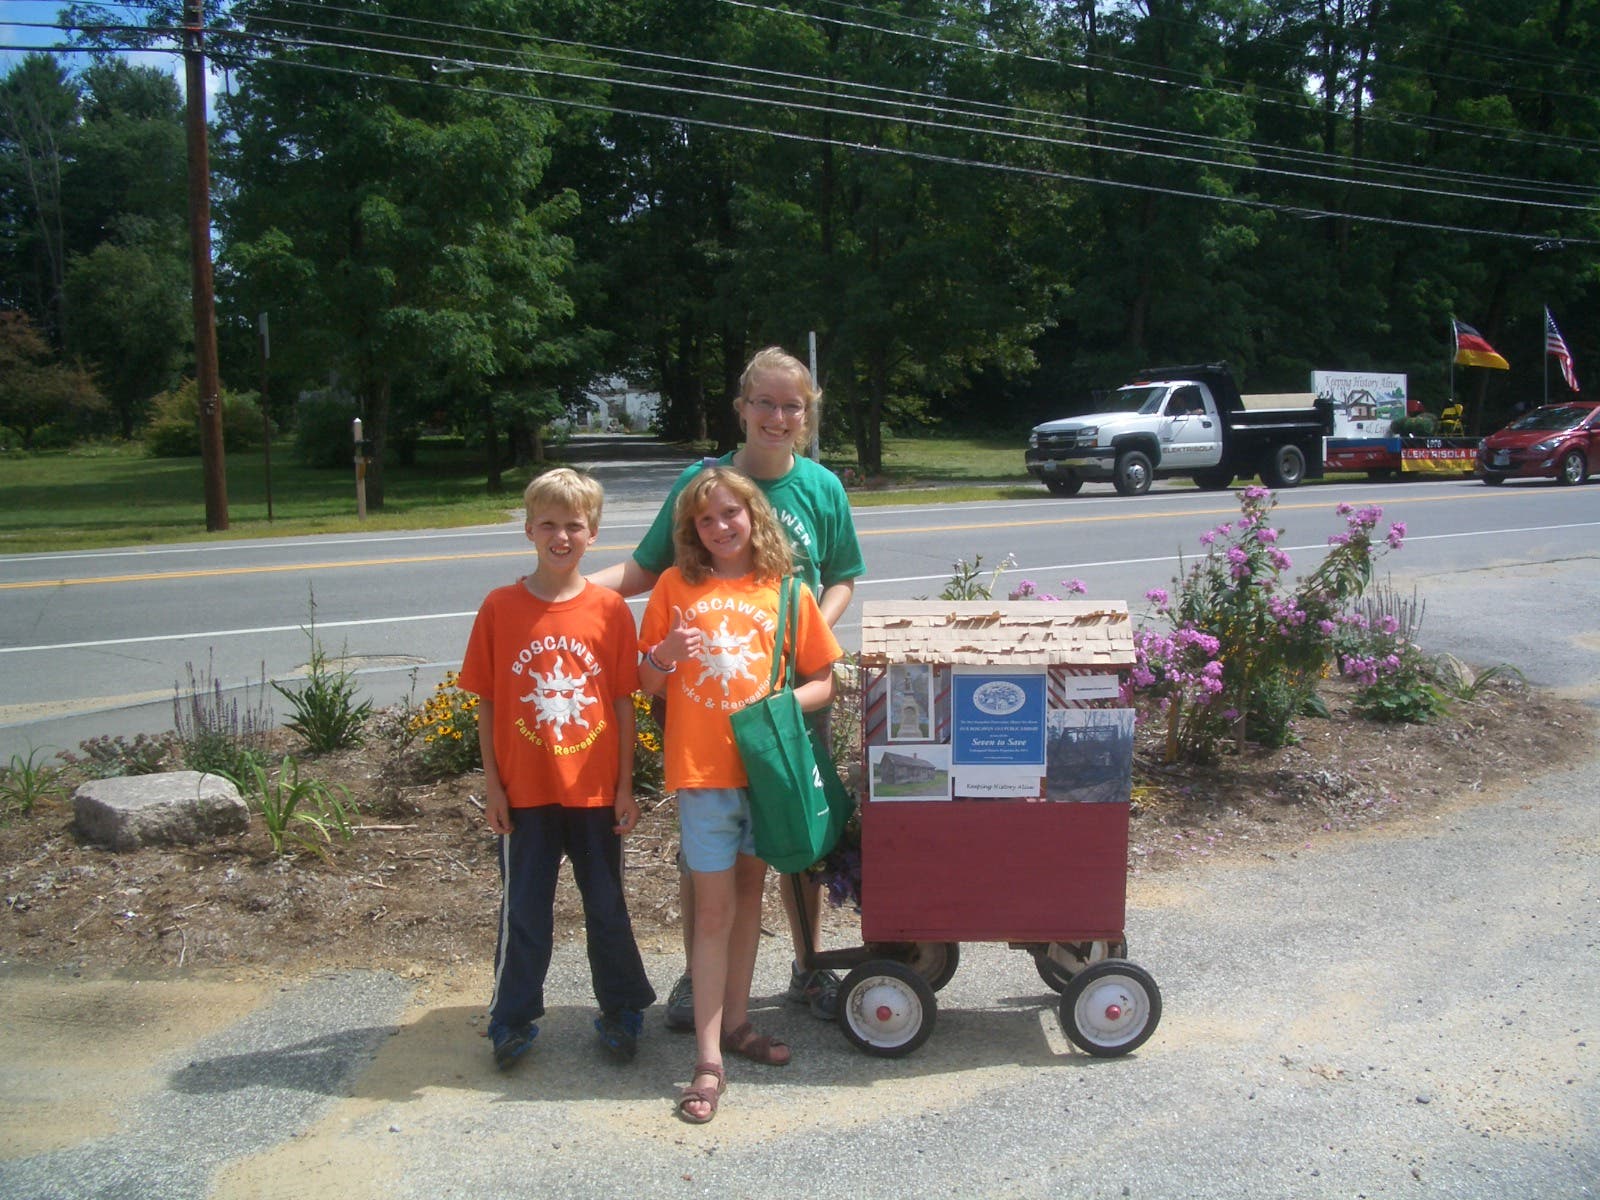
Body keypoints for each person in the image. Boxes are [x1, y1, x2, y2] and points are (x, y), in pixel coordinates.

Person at [592, 346, 865, 1029]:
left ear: (807, 416)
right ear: (742, 408)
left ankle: (809, 968)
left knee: (795, 830)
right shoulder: (703, 482)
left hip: (790, 698)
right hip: (710, 706)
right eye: (764, 403)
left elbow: (841, 578)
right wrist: (564, 594)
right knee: (710, 848)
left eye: (791, 406)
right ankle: (698, 979)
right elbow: (646, 568)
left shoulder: (823, 489)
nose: (777, 417)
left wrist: (803, 644)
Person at [638, 467, 843, 1123]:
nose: (720, 527)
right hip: (703, 777)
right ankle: (706, 1060)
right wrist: (666, 652)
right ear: (691, 531)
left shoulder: (784, 591)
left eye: (731, 513)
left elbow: (824, 680)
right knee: (713, 914)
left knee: (750, 902)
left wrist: (780, 706)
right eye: (705, 520)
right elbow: (648, 681)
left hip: (765, 775)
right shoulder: (676, 584)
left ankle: (737, 1025)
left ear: (753, 516)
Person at [457, 468, 656, 1071]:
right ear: (528, 530)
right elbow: (487, 700)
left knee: (606, 906)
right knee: (525, 910)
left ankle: (622, 1010)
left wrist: (625, 786)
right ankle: (511, 1017)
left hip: (594, 792)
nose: (561, 535)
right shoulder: (501, 608)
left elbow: (622, 702)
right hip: (525, 795)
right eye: (549, 524)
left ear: (593, 534)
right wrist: (493, 786)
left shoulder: (610, 610)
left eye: (574, 525)